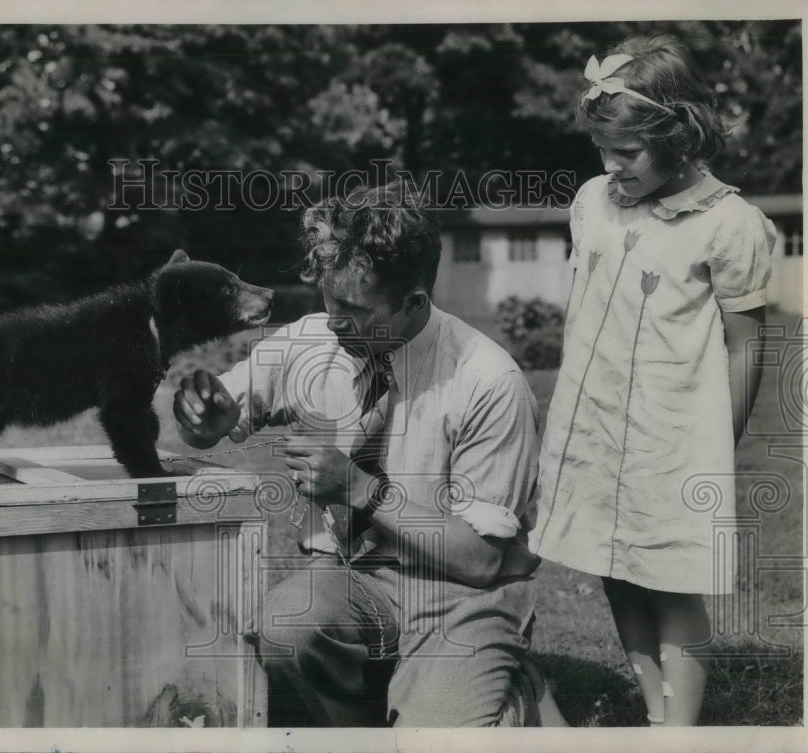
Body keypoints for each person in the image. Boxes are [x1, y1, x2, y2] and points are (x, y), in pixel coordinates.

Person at [173, 180, 566, 727]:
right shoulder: (309, 343)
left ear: (414, 303)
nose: (335, 320)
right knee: (287, 624)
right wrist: (203, 421)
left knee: (436, 738)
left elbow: (481, 561)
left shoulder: (488, 380)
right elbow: (210, 423)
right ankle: (381, 705)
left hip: (461, 593)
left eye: (355, 309)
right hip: (352, 580)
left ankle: (509, 688)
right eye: (329, 300)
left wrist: (359, 489)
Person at [529, 35, 775, 726]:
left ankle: (683, 729)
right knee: (614, 564)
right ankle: (656, 710)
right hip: (598, 424)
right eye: (602, 151)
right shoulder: (592, 203)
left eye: (627, 152)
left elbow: (747, 344)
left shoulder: (729, 223)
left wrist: (718, 445)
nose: (611, 167)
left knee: (673, 580)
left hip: (676, 434)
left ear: (679, 133)